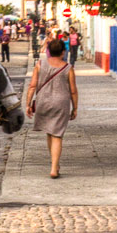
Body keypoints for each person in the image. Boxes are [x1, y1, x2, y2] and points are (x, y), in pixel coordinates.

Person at [26, 38, 79, 179]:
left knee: (50, 132)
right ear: (63, 52)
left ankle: (54, 164)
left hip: (43, 102)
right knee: (57, 135)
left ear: (49, 51)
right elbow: (73, 91)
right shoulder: (68, 68)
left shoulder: (39, 64)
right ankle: (54, 168)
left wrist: (28, 104)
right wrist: (75, 108)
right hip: (61, 103)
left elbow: (32, 86)